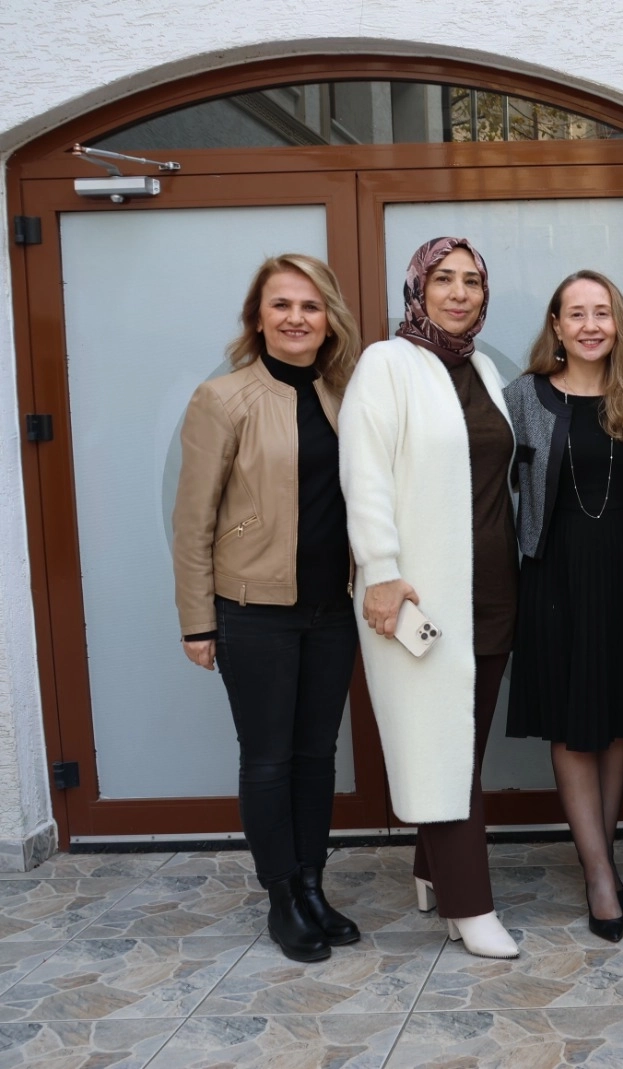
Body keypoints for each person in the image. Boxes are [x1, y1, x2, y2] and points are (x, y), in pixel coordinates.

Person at [172, 253, 363, 962]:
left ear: (329, 320)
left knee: (317, 756)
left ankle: (313, 886)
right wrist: (197, 620)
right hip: (253, 611)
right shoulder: (223, 399)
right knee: (268, 759)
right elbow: (192, 520)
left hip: (332, 609)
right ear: (258, 316)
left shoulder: (346, 396)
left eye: (311, 306)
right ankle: (282, 897)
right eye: (281, 304)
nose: (296, 318)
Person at [340, 236, 519, 959]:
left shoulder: (481, 367)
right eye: (444, 278)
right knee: (439, 748)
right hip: (417, 596)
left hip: (493, 588)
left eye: (472, 281)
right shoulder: (386, 364)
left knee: (461, 745)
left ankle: (431, 870)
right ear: (418, 287)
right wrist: (379, 570)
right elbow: (364, 474)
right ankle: (470, 906)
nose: (459, 293)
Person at [504, 270, 623, 943]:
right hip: (555, 572)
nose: (589, 326)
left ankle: (598, 855)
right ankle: (600, 874)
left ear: (617, 323)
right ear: (556, 324)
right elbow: (490, 484)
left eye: (601, 312)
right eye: (575, 313)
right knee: (573, 724)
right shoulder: (523, 396)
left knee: (615, 718)